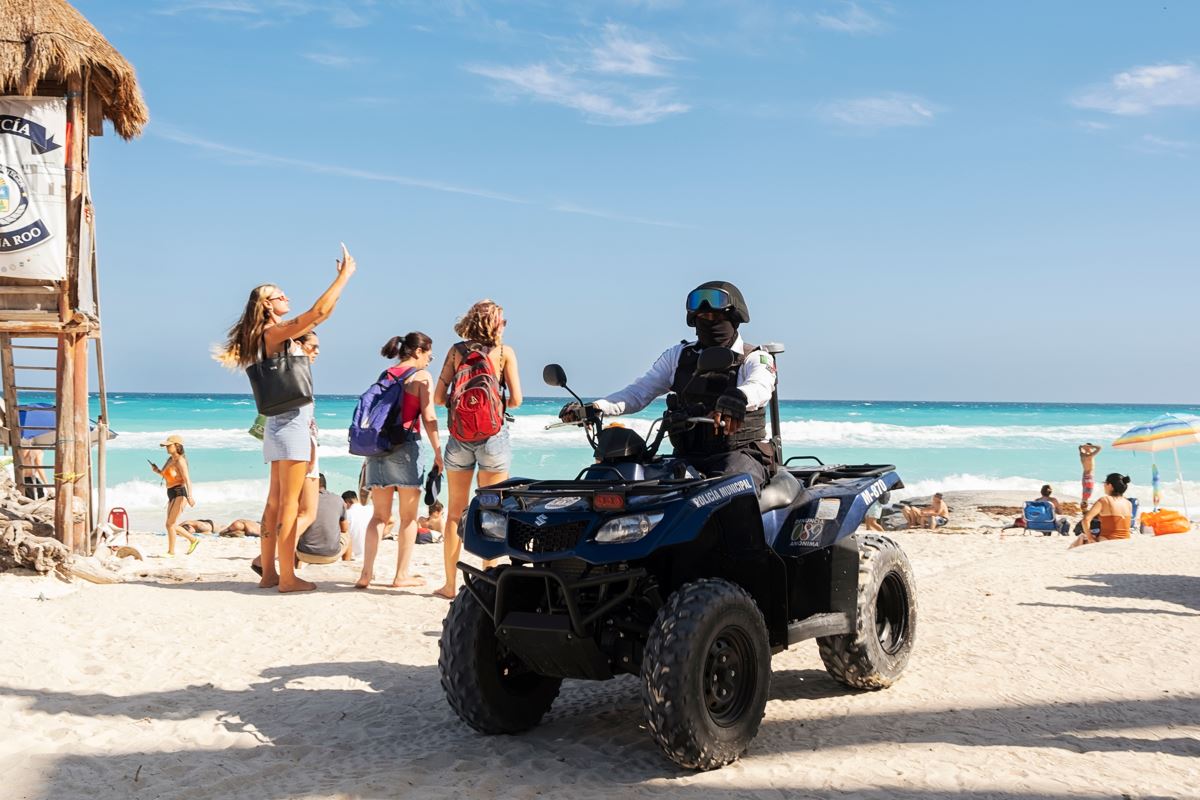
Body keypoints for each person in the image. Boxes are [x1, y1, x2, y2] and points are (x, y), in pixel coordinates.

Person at [215, 243, 355, 592]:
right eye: (280, 296)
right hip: (292, 421)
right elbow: (317, 314)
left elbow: (322, 314)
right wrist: (344, 277)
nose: (285, 297)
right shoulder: (273, 334)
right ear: (266, 304)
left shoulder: (265, 336)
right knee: (288, 504)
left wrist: (338, 287)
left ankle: (269, 573)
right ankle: (287, 576)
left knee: (275, 502)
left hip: (278, 422)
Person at [559, 281, 775, 487]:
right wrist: (596, 407)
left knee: (731, 491)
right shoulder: (678, 356)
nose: (709, 321)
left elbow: (760, 385)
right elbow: (639, 392)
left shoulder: (754, 357)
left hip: (740, 454)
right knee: (639, 491)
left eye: (716, 316)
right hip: (687, 456)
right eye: (703, 316)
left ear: (734, 318)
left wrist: (739, 397)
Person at [433, 300, 522, 600]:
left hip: (459, 437)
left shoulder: (456, 351)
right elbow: (518, 400)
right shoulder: (504, 354)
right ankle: (491, 580)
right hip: (493, 437)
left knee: (455, 511)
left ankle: (448, 584)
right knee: (493, 510)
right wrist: (494, 404)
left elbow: (439, 398)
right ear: (497, 324)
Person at [358, 332, 444, 589]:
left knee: (378, 517)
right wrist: (438, 452)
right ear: (418, 351)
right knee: (408, 518)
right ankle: (400, 576)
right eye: (430, 353)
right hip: (406, 447)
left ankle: (365, 574)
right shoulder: (421, 376)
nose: (430, 359)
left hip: (378, 448)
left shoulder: (386, 375)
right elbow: (428, 417)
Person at [252, 474, 349, 573]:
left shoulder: (302, 501)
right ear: (324, 485)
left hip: (303, 554)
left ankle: (295, 568)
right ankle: (347, 562)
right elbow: (344, 529)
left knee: (299, 530)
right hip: (331, 556)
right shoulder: (338, 500)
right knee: (347, 534)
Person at [149, 435, 200, 556]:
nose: (166, 447)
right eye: (166, 445)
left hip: (180, 493)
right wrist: (157, 470)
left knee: (170, 524)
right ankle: (193, 540)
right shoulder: (170, 459)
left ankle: (171, 552)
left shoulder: (180, 461)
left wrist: (190, 496)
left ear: (177, 446)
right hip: (171, 493)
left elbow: (187, 479)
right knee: (170, 524)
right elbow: (166, 475)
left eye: (169, 445)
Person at [1071, 473, 1133, 549]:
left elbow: (1086, 520)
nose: (1104, 486)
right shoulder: (1128, 503)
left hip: (1108, 540)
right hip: (1126, 540)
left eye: (1105, 483)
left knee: (1081, 538)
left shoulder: (1104, 500)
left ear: (1110, 486)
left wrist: (1090, 538)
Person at [342, 489, 372, 560]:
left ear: (347, 502)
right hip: (372, 554)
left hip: (354, 555)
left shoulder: (347, 514)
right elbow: (391, 521)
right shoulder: (372, 509)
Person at [1079, 443, 1102, 514]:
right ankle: (1084, 511)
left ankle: (1084, 510)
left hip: (1084, 476)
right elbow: (1099, 447)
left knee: (1085, 495)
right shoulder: (1090, 455)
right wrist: (1089, 447)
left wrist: (1083, 447)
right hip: (1089, 477)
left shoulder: (1082, 455)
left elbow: (1079, 448)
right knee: (1086, 495)